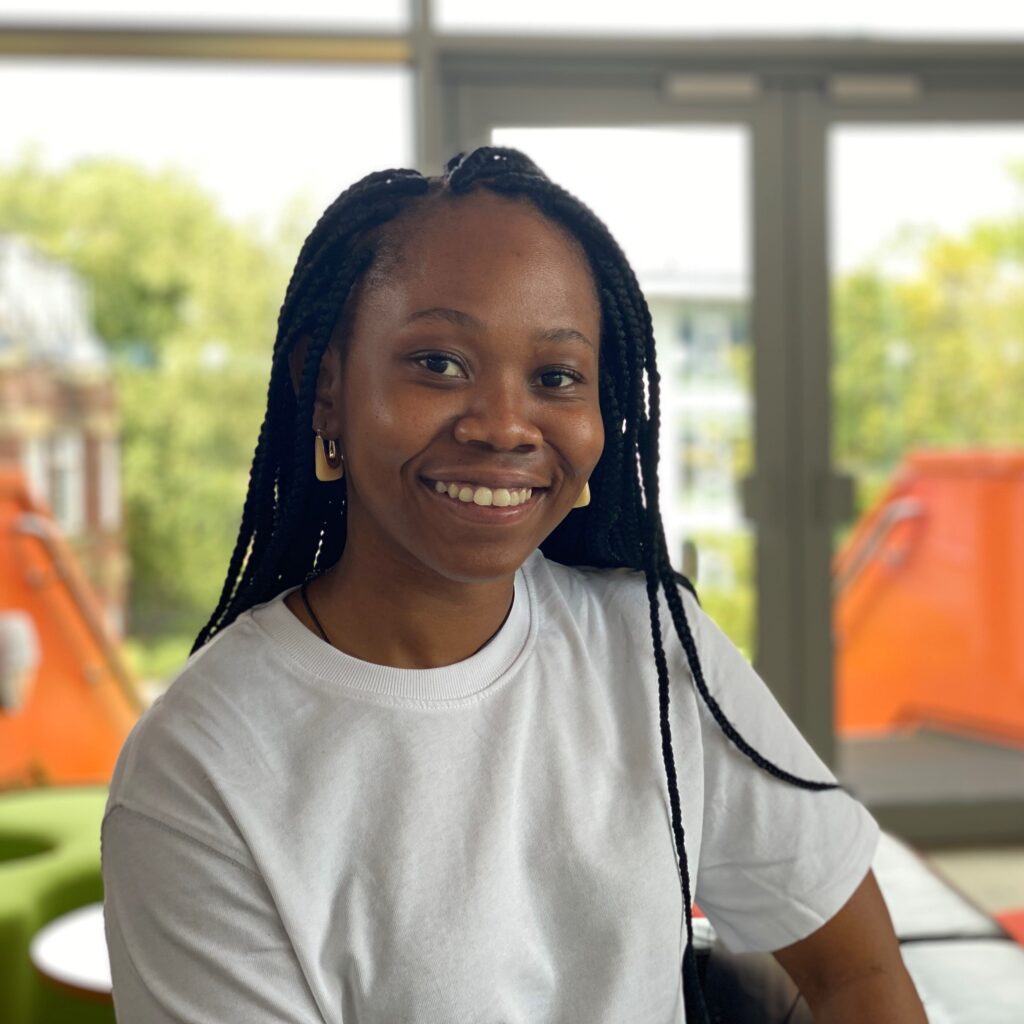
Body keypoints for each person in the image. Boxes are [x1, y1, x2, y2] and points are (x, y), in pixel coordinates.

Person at [100, 147, 927, 1022]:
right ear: (327, 384)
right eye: (439, 364)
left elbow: (857, 976)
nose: (504, 426)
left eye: (555, 378)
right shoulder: (199, 771)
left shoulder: (648, 649)